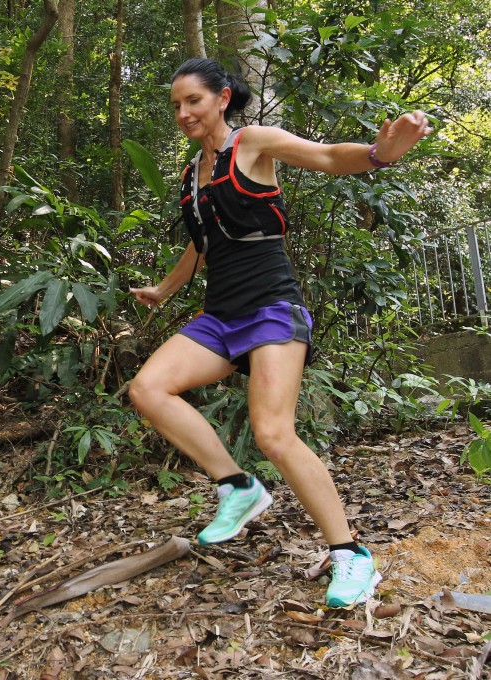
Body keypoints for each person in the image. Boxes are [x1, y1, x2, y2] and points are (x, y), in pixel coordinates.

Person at [128, 57, 432, 607]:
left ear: (222, 97)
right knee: (148, 389)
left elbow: (322, 155)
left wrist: (378, 154)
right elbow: (201, 244)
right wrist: (164, 291)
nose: (183, 113)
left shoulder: (253, 142)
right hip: (220, 312)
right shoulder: (193, 173)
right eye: (175, 105)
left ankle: (351, 556)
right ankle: (238, 487)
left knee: (273, 433)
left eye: (192, 101)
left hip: (270, 305)